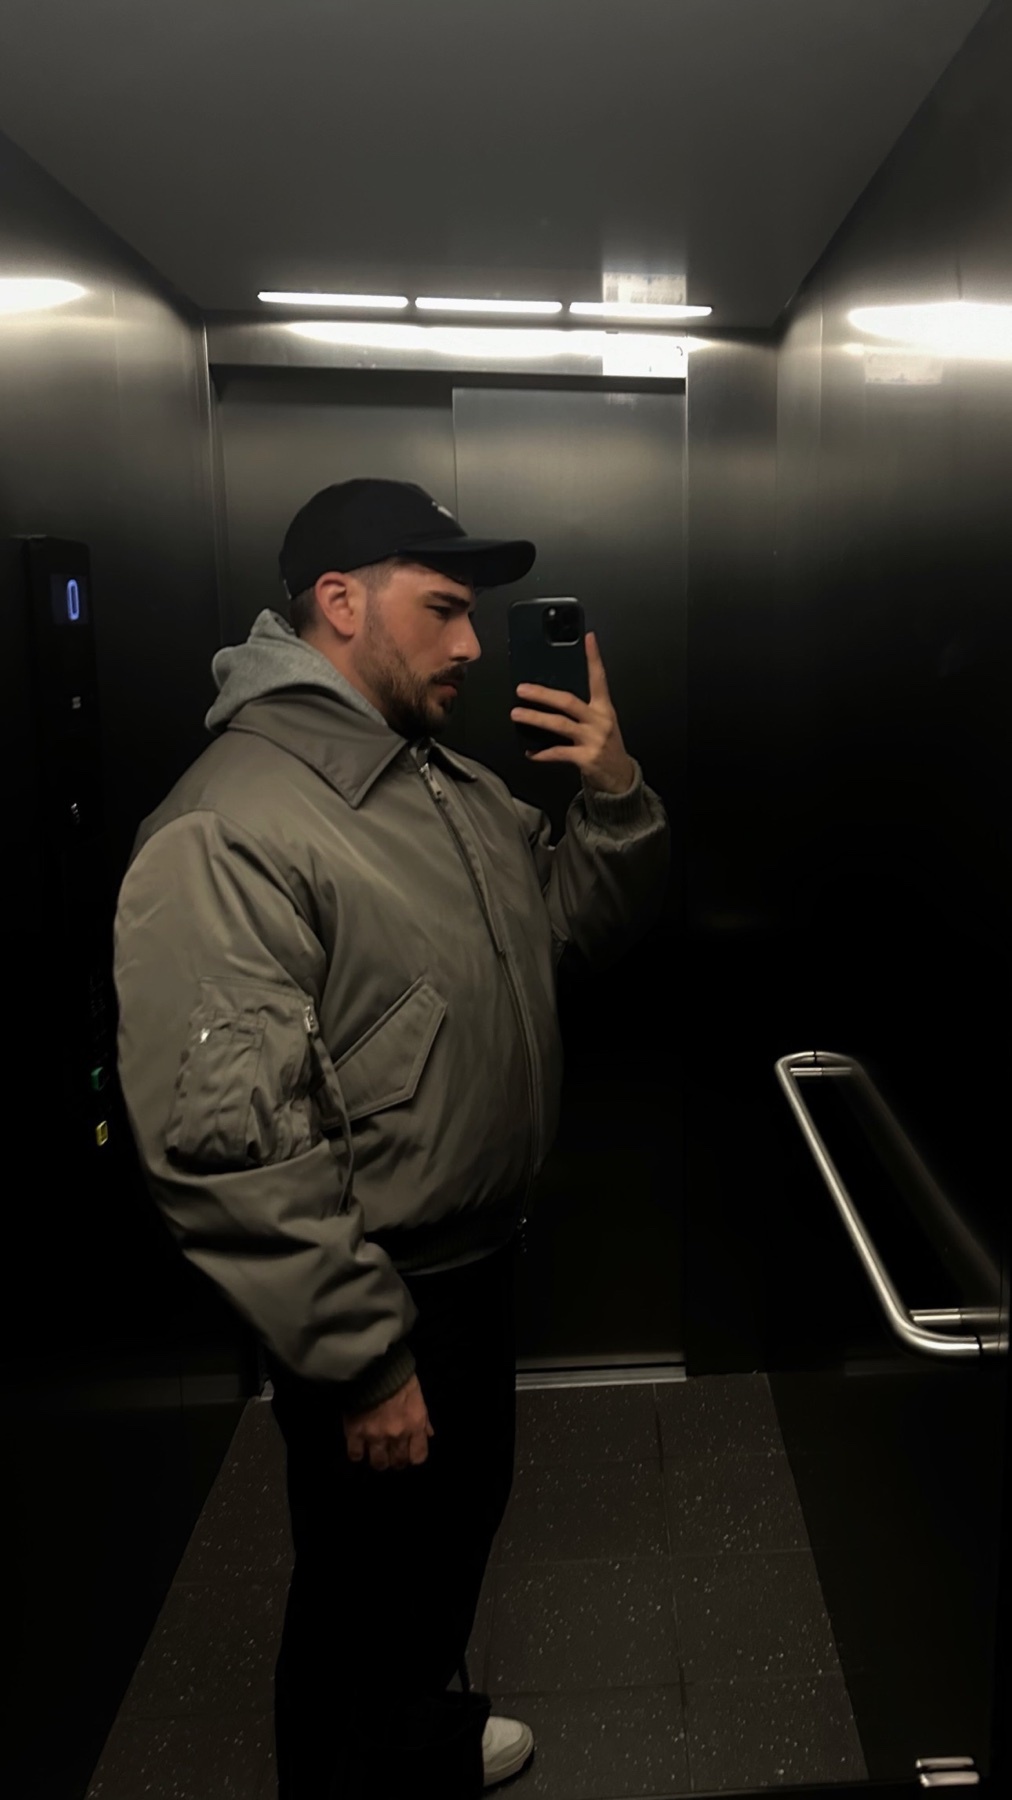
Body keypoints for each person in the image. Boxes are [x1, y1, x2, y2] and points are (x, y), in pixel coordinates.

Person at [114, 477, 670, 1797]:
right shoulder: (234, 820)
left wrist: (617, 791)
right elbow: (232, 1138)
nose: (473, 647)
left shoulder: (443, 784)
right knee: (363, 1593)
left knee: (434, 1556)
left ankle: (419, 1721)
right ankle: (373, 1756)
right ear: (340, 602)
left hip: (475, 1265)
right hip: (383, 1285)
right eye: (445, 612)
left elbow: (568, 931)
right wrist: (361, 1354)